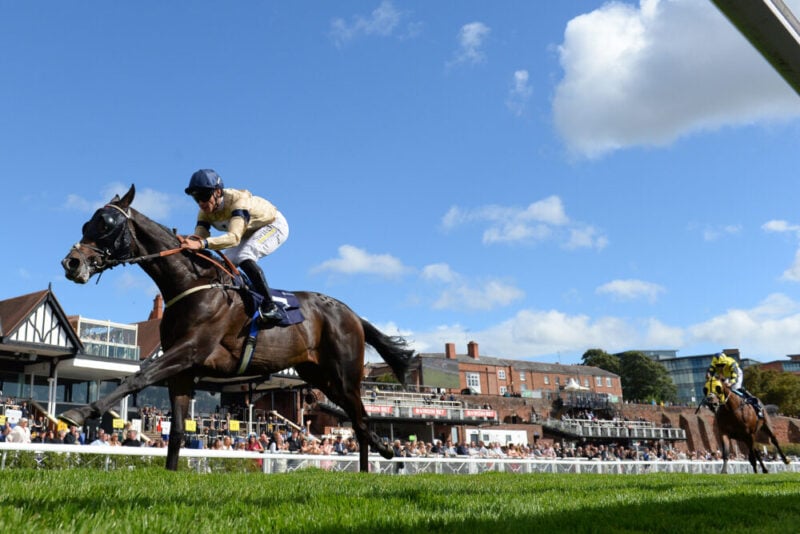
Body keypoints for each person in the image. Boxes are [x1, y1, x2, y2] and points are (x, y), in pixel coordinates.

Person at [181, 169, 289, 326]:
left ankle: (270, 306)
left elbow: (233, 238)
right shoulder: (204, 212)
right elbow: (199, 238)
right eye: (196, 198)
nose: (201, 203)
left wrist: (201, 244)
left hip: (272, 225)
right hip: (246, 232)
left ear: (218, 192)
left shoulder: (238, 201)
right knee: (225, 266)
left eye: (204, 196)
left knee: (244, 255)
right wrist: (186, 243)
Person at [707, 352, 763, 418]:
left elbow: (735, 377)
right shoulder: (713, 364)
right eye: (718, 365)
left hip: (736, 374)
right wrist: (709, 376)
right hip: (725, 376)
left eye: (722, 365)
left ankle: (755, 404)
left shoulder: (731, 363)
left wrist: (730, 383)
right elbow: (709, 373)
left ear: (725, 362)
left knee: (735, 389)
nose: (720, 367)